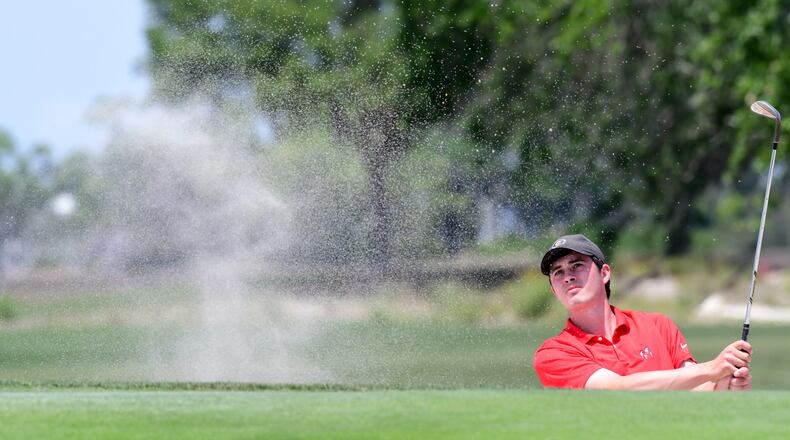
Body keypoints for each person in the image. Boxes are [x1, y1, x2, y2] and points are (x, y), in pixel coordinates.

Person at [533, 234, 752, 391]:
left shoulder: (658, 325)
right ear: (553, 289)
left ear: (605, 273)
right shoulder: (553, 354)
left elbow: (694, 387)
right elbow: (617, 389)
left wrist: (723, 386)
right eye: (558, 272)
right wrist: (711, 369)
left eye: (577, 265)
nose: (568, 276)